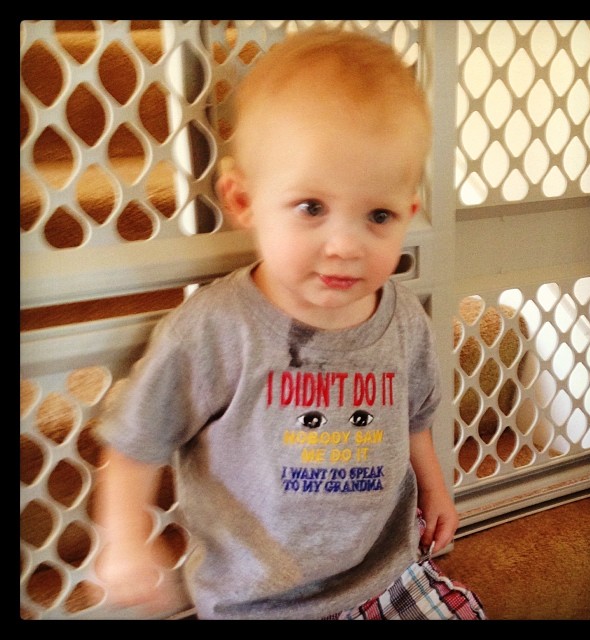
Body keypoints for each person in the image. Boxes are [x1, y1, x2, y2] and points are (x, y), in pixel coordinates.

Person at [95, 26, 485, 620]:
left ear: (408, 213)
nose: (345, 246)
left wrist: (435, 489)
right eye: (312, 207)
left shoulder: (404, 318)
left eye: (378, 216)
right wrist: (123, 542)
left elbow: (414, 417)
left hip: (387, 574)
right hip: (260, 602)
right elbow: (137, 438)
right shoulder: (217, 328)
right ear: (243, 200)